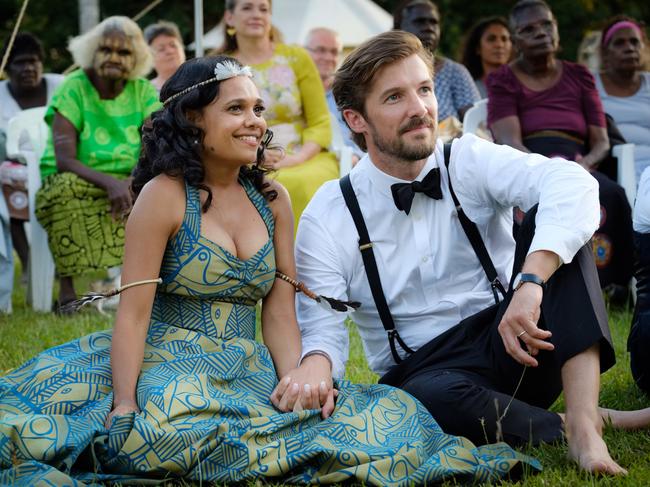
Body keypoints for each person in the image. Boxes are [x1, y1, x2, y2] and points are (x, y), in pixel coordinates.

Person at [0, 55, 539, 485]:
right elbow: (134, 317)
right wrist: (123, 405)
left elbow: (280, 313)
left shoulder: (271, 199)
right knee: (170, 432)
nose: (256, 121)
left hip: (245, 365)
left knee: (385, 417)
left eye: (258, 109)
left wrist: (296, 380)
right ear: (192, 118)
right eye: (236, 109)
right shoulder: (163, 197)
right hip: (168, 360)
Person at [293, 29, 650, 476]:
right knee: (420, 402)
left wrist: (531, 281)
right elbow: (322, 326)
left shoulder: (465, 159)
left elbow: (573, 182)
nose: (420, 109)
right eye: (394, 98)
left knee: (559, 230)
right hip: (426, 373)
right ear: (355, 119)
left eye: (424, 89)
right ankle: (576, 422)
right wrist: (316, 365)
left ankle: (583, 427)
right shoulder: (328, 213)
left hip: (517, 338)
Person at [487, 0, 634, 298]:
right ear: (515, 41)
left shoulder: (579, 75)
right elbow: (509, 140)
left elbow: (601, 140)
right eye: (529, 29)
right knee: (530, 204)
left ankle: (610, 286)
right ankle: (536, 282)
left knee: (610, 194)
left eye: (546, 25)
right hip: (528, 162)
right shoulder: (503, 80)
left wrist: (585, 164)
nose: (540, 33)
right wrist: (547, 171)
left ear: (556, 29)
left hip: (580, 162)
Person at [35, 16, 159, 308]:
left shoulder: (142, 90)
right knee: (64, 191)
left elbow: (156, 144)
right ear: (93, 51)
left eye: (124, 52)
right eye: (106, 50)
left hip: (130, 175)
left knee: (160, 192)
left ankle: (140, 286)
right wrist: (110, 183)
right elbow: (65, 158)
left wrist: (132, 180)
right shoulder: (73, 87)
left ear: (137, 58)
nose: (114, 57)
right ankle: (68, 291)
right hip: (76, 175)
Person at [220, 0, 339, 230]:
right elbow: (219, 123)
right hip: (243, 157)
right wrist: (254, 156)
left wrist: (297, 158)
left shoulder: (296, 57)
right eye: (247, 8)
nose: (257, 14)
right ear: (229, 18)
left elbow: (320, 120)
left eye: (263, 9)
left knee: (301, 183)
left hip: (304, 155)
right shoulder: (223, 67)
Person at [0, 32, 64, 289]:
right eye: (20, 62)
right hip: (13, 172)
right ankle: (29, 264)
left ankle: (60, 264)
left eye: (34, 61)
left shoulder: (61, 85)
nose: (28, 68)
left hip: (59, 165)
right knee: (5, 190)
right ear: (7, 68)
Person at [393, 0, 479, 122]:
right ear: (399, 28)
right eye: (420, 21)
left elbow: (476, 122)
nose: (429, 28)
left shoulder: (455, 72)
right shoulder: (384, 72)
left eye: (434, 22)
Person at [595, 16, 650, 181]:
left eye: (634, 42)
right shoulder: (589, 84)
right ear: (605, 52)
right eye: (619, 43)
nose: (629, 48)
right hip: (612, 169)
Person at [305, 27, 363, 165]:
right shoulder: (294, 97)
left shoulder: (351, 93)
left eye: (334, 52)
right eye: (321, 50)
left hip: (355, 165)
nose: (328, 57)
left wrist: (357, 156)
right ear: (304, 52)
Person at [460, 16, 512, 98]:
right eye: (491, 39)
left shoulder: (526, 84)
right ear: (478, 48)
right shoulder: (467, 90)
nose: (499, 45)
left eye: (504, 39)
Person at [143, 20, 186, 92]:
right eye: (161, 49)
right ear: (150, 58)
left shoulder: (201, 81)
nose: (170, 51)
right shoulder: (145, 92)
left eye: (173, 45)